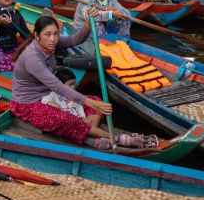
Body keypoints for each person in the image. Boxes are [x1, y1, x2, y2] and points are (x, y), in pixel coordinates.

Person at [10, 15, 153, 149]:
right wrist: (88, 103)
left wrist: (86, 25)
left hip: (50, 95)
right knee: (66, 117)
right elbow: (56, 85)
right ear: (37, 36)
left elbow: (74, 40)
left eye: (56, 33)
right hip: (28, 104)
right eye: (47, 34)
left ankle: (87, 134)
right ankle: (117, 138)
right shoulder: (31, 57)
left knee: (96, 100)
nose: (53, 39)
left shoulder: (52, 43)